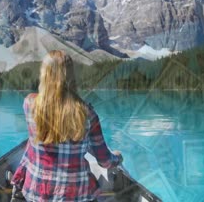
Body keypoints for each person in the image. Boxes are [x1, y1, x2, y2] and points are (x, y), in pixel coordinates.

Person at [10, 50, 123, 202]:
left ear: (44, 75)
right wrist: (117, 158)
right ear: (71, 77)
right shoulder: (88, 113)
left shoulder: (29, 103)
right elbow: (105, 161)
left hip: (36, 194)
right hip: (76, 196)